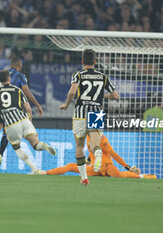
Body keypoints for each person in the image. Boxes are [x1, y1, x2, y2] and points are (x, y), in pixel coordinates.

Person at [59, 49, 119, 185]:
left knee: (79, 146)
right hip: (96, 112)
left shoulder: (78, 75)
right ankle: (97, 153)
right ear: (95, 62)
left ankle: (84, 178)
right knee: (94, 143)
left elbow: (72, 92)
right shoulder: (103, 76)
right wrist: (100, 96)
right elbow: (116, 96)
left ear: (82, 62)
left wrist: (67, 104)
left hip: (80, 112)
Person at [0, 70, 55, 174]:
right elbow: (28, 109)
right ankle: (42, 145)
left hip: (11, 124)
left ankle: (35, 169)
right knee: (35, 145)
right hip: (23, 120)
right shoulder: (18, 90)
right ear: (9, 79)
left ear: (0, 80)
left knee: (17, 149)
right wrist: (29, 123)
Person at [0, 57, 43, 171]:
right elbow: (27, 92)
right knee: (6, 134)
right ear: (19, 65)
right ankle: (0, 154)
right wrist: (37, 105)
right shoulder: (20, 76)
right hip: (12, 111)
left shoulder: (3, 74)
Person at [46, 134, 157, 179]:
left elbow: (114, 154)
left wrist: (127, 167)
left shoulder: (102, 139)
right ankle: (44, 172)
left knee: (120, 176)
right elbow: (91, 152)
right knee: (71, 166)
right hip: (95, 168)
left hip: (107, 166)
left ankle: (141, 176)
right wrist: (88, 161)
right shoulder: (88, 137)